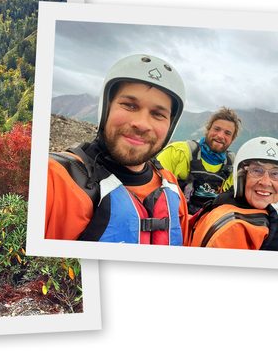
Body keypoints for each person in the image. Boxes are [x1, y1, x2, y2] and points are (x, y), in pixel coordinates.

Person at [45, 54, 189, 244]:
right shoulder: (54, 177)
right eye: (129, 105)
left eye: (158, 114)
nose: (142, 124)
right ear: (107, 107)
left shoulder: (170, 186)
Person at [186, 136, 278, 252]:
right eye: (257, 170)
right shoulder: (232, 229)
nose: (265, 182)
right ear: (242, 178)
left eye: (276, 173)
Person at [157, 107, 241, 214]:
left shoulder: (233, 168)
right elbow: (152, 185)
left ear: (232, 139)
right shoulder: (178, 152)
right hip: (173, 219)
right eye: (216, 129)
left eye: (227, 133)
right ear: (208, 130)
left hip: (208, 225)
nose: (220, 136)